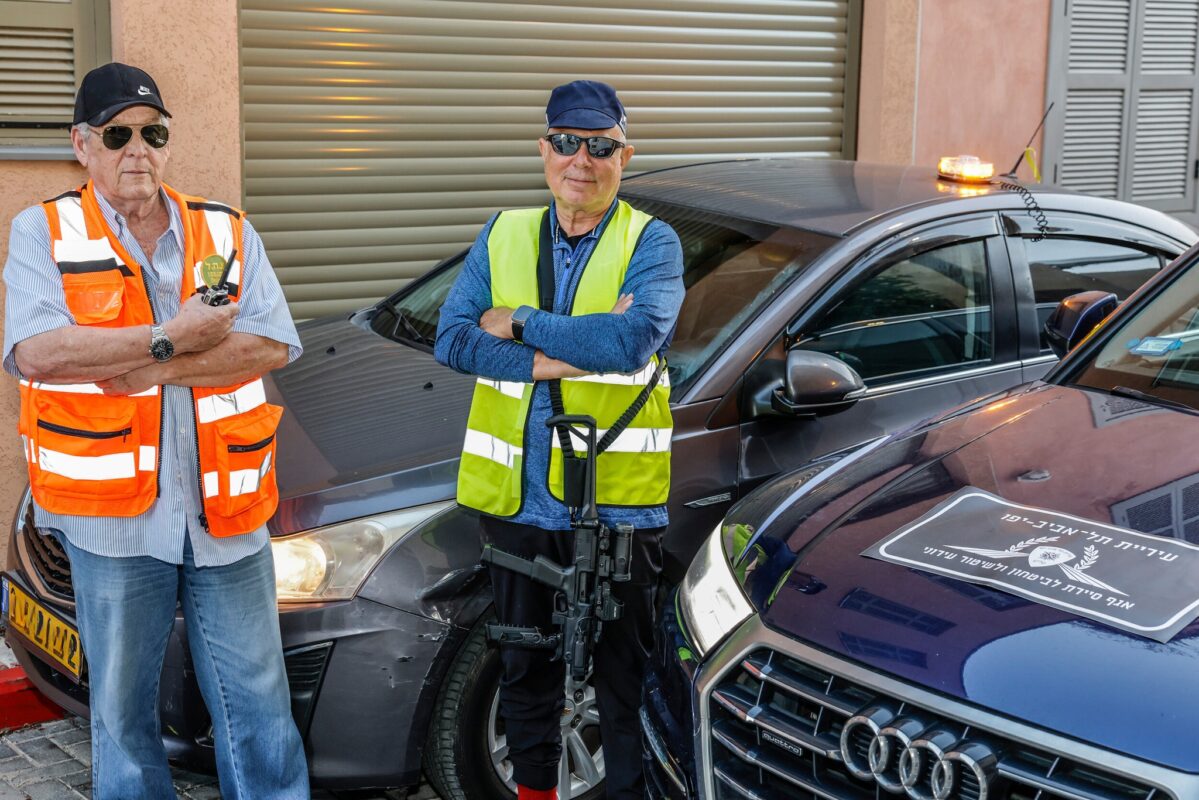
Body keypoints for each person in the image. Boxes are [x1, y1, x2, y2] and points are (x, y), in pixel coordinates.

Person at [2, 62, 308, 799]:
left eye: (153, 132)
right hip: (115, 526)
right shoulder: (42, 230)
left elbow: (269, 344)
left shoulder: (225, 228)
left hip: (224, 514)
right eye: (118, 133)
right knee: (120, 711)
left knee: (259, 703)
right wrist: (175, 338)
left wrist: (148, 367)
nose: (137, 148)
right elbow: (37, 351)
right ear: (84, 144)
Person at [435, 80, 685, 800]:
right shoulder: (503, 231)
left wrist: (514, 321)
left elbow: (633, 337)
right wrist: (573, 349)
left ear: (623, 155)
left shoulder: (653, 241)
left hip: (615, 505)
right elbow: (452, 341)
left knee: (623, 684)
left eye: (600, 146)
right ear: (544, 150)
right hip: (517, 503)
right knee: (523, 676)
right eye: (568, 142)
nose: (583, 159)